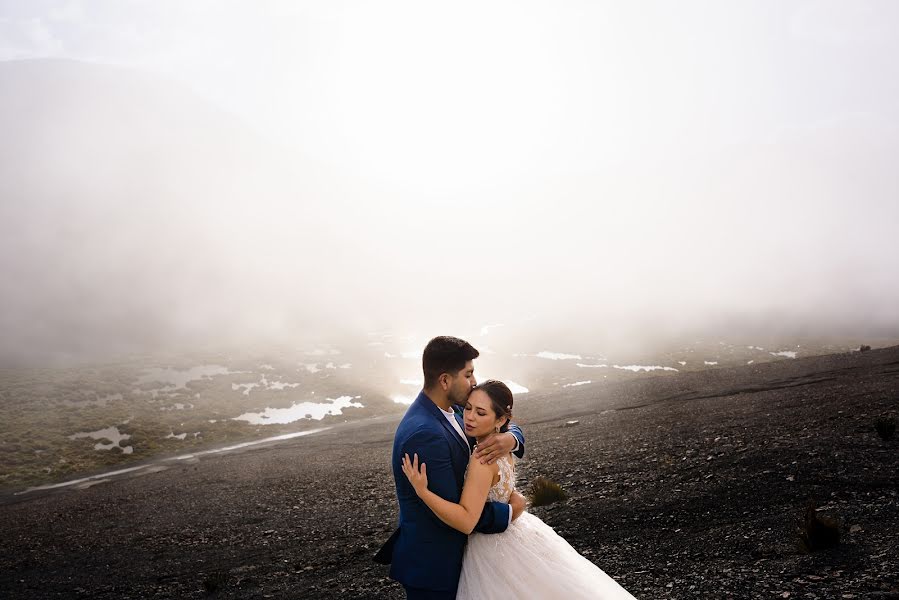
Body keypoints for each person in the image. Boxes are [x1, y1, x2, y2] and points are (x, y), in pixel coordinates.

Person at [402, 380, 638, 600]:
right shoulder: (501, 446)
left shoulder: (483, 456)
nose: (470, 417)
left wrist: (423, 492)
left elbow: (466, 521)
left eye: (480, 412)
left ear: (500, 420)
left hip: (491, 549)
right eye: (469, 408)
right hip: (519, 532)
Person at [374, 336, 526, 599]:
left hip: (459, 559)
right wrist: (511, 510)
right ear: (445, 380)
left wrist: (511, 438)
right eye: (468, 374)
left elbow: (497, 419)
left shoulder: (456, 410)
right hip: (436, 566)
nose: (474, 381)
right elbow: (462, 512)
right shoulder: (424, 434)